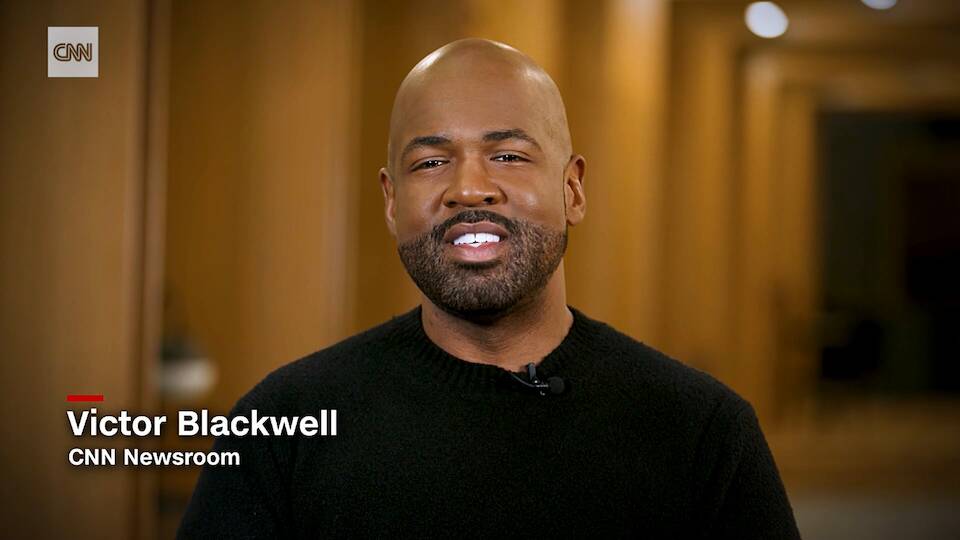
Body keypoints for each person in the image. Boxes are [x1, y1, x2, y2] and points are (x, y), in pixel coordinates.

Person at [178, 38, 801, 538]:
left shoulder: (701, 431)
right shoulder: (281, 426)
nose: (469, 188)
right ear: (391, 202)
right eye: (431, 162)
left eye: (508, 156)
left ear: (573, 190)